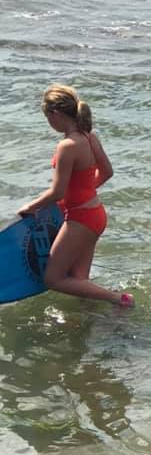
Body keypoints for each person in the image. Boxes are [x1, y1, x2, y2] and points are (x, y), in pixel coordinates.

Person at [17, 85, 133, 307]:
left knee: (53, 279)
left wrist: (30, 206)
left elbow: (57, 192)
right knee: (79, 280)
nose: (49, 123)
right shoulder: (89, 137)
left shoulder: (67, 146)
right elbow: (107, 172)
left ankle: (120, 299)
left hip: (80, 218)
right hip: (96, 214)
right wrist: (83, 192)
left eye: (47, 118)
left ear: (55, 114)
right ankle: (89, 318)